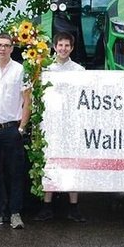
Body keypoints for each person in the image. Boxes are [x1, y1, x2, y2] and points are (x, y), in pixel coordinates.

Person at [0, 33, 31, 228]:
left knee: (15, 172)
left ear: (11, 48)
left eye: (6, 45)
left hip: (11, 129)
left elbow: (27, 101)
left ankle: (15, 212)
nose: (2, 49)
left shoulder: (20, 70)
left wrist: (21, 128)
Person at [39, 32, 85, 220]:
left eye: (67, 46)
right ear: (54, 47)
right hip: (50, 122)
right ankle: (46, 206)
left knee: (72, 163)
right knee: (49, 163)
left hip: (71, 122)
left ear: (72, 48)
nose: (63, 49)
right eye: (60, 45)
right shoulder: (45, 69)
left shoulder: (79, 71)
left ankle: (73, 207)